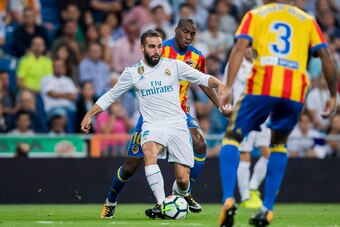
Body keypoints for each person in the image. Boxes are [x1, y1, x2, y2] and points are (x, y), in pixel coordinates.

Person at [80, 29, 227, 219]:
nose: (156, 51)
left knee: (183, 180)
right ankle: (151, 203)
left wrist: (221, 85)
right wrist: (89, 114)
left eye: (159, 46)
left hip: (177, 124)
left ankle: (179, 194)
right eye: (151, 47)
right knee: (140, 160)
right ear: (142, 48)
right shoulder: (133, 73)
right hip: (151, 125)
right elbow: (111, 95)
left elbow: (202, 78)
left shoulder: (174, 66)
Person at [218, 1, 338, 227]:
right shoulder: (307, 19)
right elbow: (326, 55)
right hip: (294, 90)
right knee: (279, 143)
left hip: (262, 86)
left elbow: (239, 47)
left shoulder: (257, 14)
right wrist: (333, 93)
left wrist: (228, 87)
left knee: (232, 137)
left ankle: (227, 199)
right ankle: (267, 208)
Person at [224, 47, 270, 209]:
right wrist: (227, 107)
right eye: (247, 46)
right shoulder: (235, 63)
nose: (249, 49)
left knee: (267, 154)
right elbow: (225, 87)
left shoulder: (263, 63)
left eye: (253, 45)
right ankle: (245, 197)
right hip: (244, 113)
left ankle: (252, 188)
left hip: (264, 113)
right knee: (245, 154)